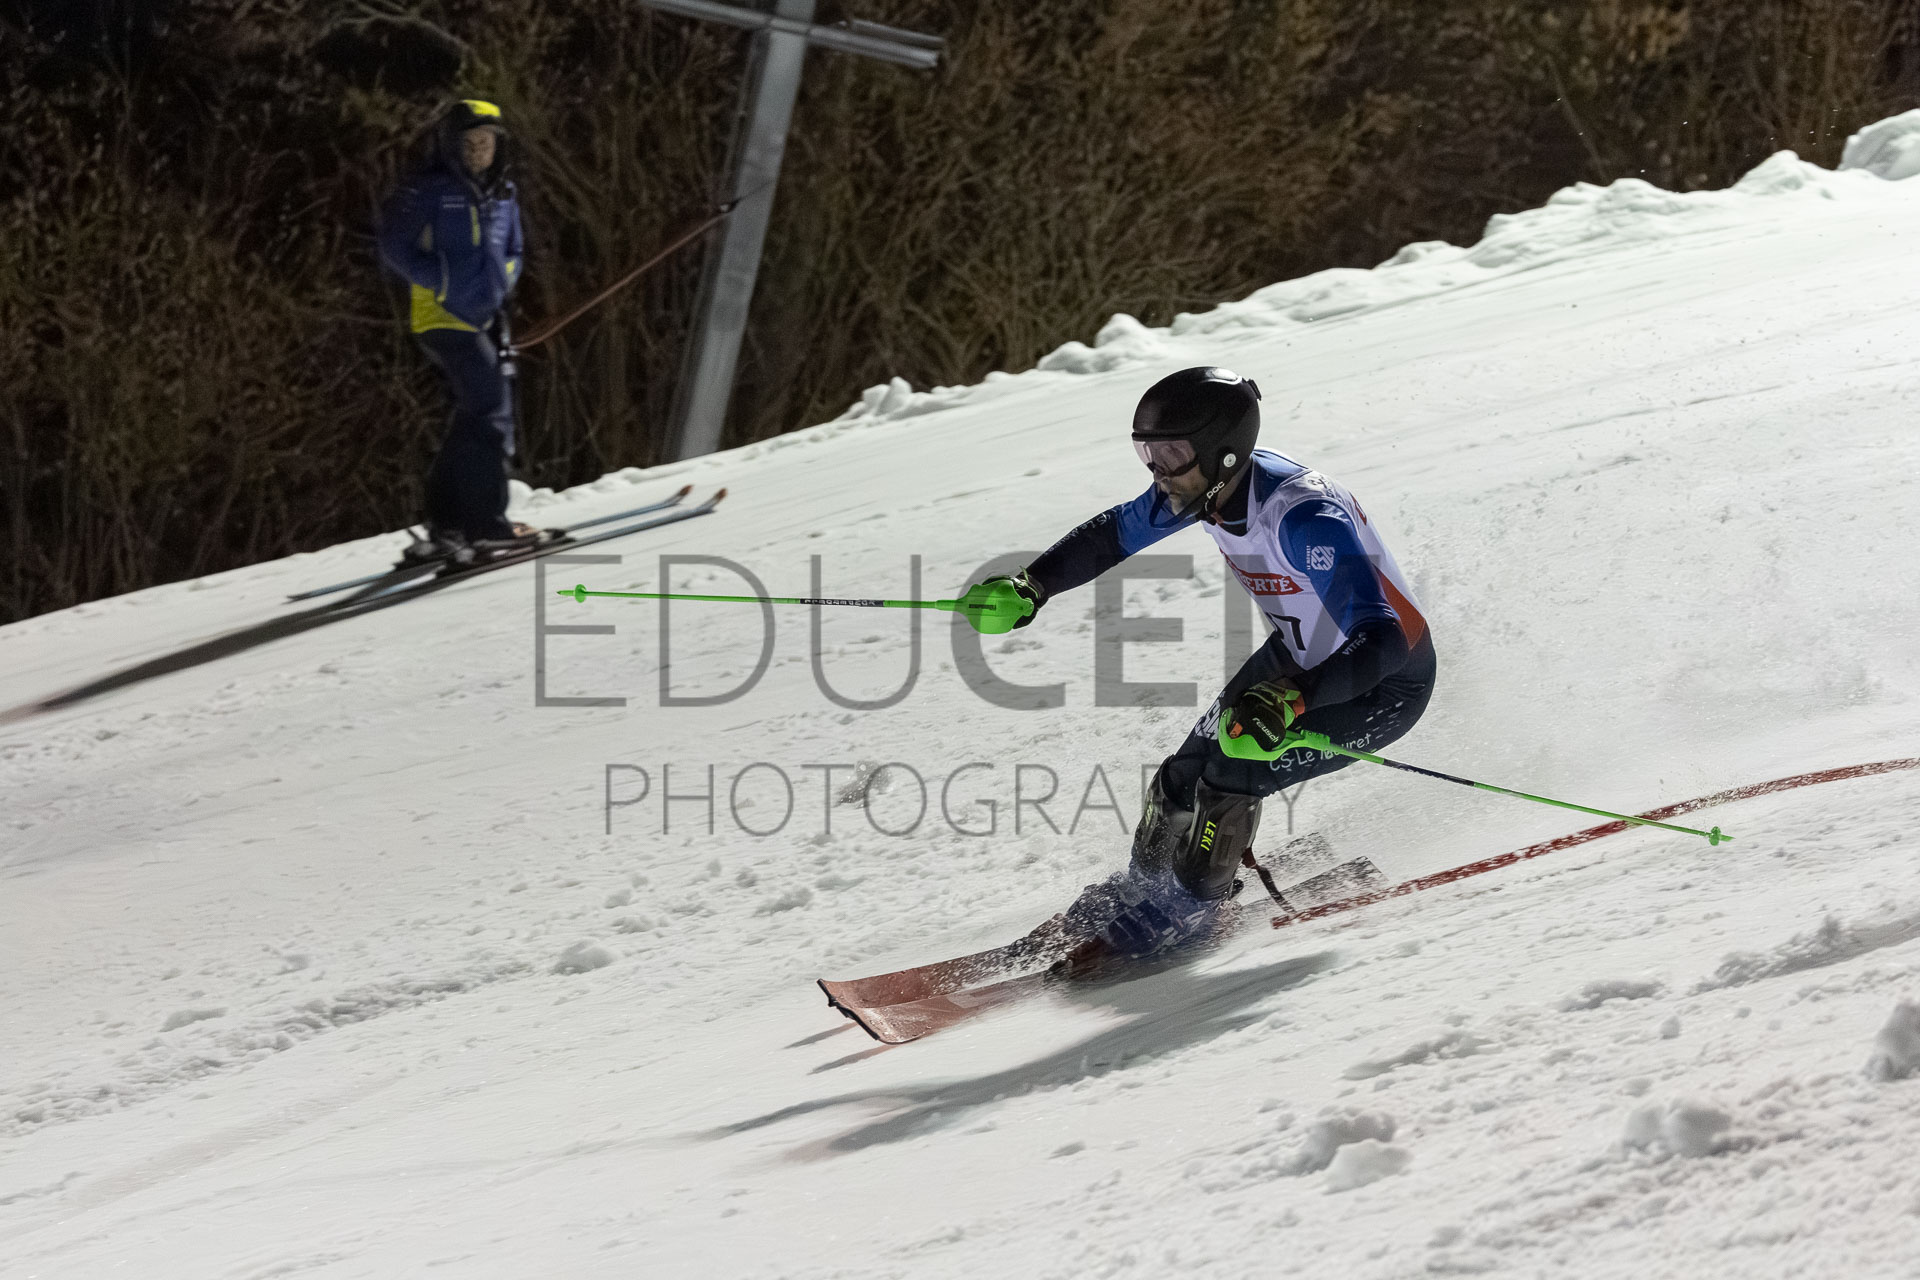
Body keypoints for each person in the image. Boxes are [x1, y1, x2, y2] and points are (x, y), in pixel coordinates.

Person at [961, 366, 1438, 957]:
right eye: (1148, 453)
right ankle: (1143, 890)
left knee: (1232, 769)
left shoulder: (1303, 518)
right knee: (1179, 779)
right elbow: (1111, 536)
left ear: (1222, 452)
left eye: (1171, 454)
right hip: (1297, 658)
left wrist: (1295, 699)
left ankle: (1189, 908)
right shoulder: (1205, 487)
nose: (1158, 471)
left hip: (1381, 683)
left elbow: (1384, 639)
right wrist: (1033, 585)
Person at [377, 99, 533, 562]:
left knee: (476, 414)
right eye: (470, 144)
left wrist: (503, 282)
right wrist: (442, 281)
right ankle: (484, 524)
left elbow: (514, 250)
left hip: (485, 316)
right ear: (451, 145)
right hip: (442, 316)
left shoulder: (503, 193)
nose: (479, 152)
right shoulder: (429, 190)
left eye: (487, 143)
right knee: (490, 408)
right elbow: (394, 245)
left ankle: (448, 524)